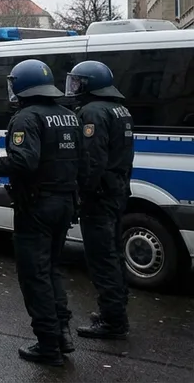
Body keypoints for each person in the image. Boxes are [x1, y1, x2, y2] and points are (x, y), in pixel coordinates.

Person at [0, 59, 83, 366]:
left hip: (36, 205)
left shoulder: (26, 118)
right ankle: (62, 333)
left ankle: (48, 344)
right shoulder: (69, 115)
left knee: (34, 275)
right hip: (64, 201)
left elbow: (24, 161)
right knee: (52, 269)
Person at [67, 60, 134, 340]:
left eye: (78, 82)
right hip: (117, 191)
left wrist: (81, 193)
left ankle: (112, 320)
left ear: (89, 83)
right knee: (114, 254)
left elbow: (91, 160)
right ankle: (114, 309)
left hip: (100, 196)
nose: (74, 87)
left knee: (101, 257)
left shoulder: (93, 112)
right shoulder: (120, 109)